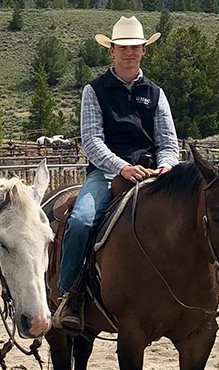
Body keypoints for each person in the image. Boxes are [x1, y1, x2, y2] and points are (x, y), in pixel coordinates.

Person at [53, 16, 180, 332]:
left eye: (135, 47)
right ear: (111, 50)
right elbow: (92, 141)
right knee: (82, 220)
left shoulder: (155, 93)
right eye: (123, 47)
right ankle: (69, 293)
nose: (129, 53)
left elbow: (168, 142)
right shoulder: (94, 90)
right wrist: (121, 167)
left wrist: (167, 167)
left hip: (152, 173)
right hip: (108, 174)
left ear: (143, 51)